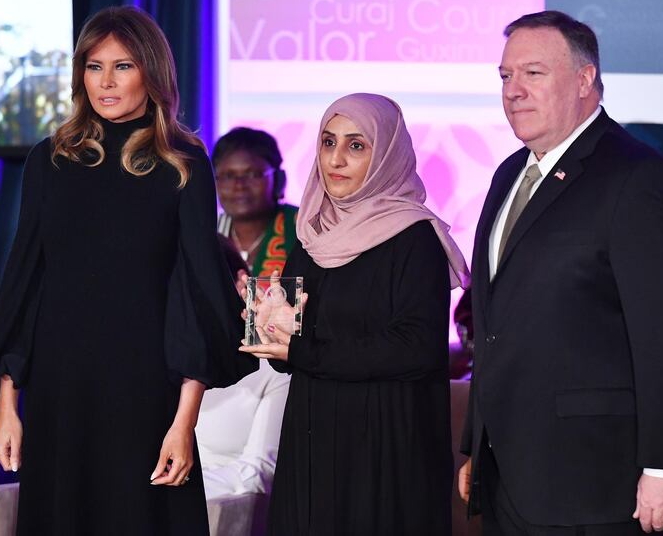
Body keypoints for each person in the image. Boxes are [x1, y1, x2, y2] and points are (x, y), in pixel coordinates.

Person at [0, 6, 256, 535]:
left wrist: (183, 422)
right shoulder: (49, 159)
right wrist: (7, 406)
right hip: (60, 390)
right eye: (93, 65)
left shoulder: (183, 162)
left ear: (151, 72)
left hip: (144, 390)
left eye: (122, 66)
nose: (105, 81)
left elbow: (196, 294)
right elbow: (24, 286)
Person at [457, 10, 663, 535]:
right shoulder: (509, 173)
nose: (513, 91)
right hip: (508, 477)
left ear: (584, 79)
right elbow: (495, 323)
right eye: (505, 76)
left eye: (533, 73)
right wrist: (474, 446)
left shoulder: (637, 178)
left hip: (596, 487)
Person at [239, 92, 470, 535]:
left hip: (385, 444)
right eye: (328, 143)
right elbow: (288, 354)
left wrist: (304, 349)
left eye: (356, 145)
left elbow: (416, 350)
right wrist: (270, 328)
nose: (336, 159)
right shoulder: (312, 235)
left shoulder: (414, 237)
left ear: (386, 155)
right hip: (314, 434)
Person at [194, 237, 291, 501]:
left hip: (229, 510)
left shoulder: (271, 365)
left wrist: (182, 491)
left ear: (241, 281)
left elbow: (259, 471)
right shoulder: (174, 359)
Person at [213, 127, 298, 277]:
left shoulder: (300, 228)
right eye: (227, 176)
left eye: (252, 174)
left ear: (278, 179)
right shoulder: (207, 234)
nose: (239, 185)